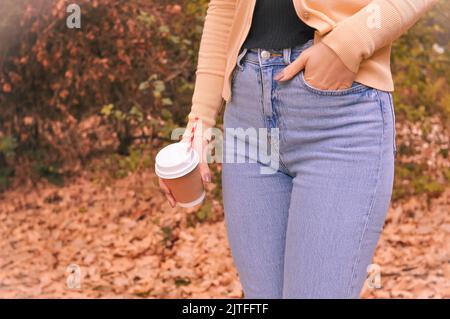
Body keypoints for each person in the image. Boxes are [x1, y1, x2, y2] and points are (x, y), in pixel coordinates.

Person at [159, 0, 438, 298]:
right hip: (247, 116)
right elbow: (225, 6)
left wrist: (347, 44)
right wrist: (200, 119)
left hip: (339, 117)